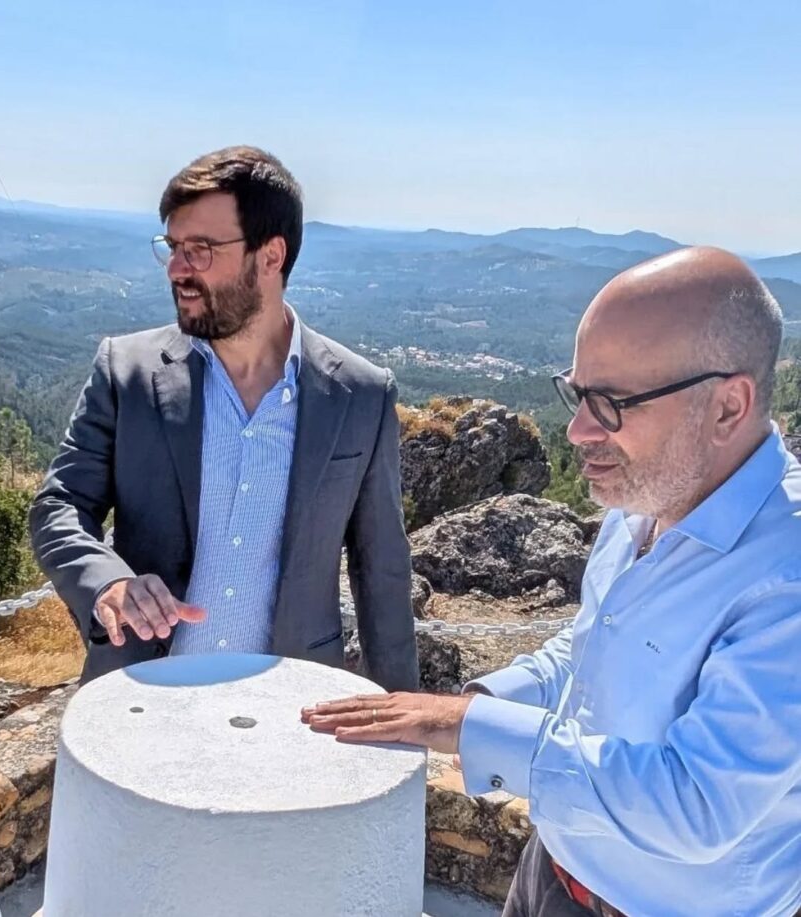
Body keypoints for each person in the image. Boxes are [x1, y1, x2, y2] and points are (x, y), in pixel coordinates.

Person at [304, 248, 801, 917]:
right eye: (576, 394)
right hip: (554, 873)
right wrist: (476, 700)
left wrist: (469, 725)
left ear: (727, 407)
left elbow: (699, 804)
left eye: (611, 404)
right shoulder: (647, 500)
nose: (577, 430)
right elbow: (590, 651)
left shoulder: (784, 570)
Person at [30, 145, 418, 690]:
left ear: (271, 256)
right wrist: (107, 584)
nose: (176, 268)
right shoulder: (127, 372)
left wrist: (402, 716)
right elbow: (59, 507)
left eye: (201, 249)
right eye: (172, 247)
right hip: (142, 697)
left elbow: (382, 574)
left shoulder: (360, 395)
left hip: (291, 705)